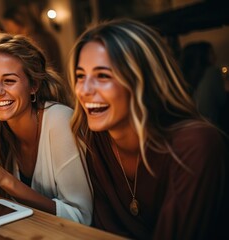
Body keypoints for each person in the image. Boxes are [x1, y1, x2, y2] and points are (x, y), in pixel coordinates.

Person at [70, 19, 227, 239]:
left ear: (143, 80)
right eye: (80, 76)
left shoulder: (195, 143)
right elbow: (103, 229)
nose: (84, 90)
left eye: (103, 76)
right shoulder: (96, 139)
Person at [0, 33, 92, 224]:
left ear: (33, 85)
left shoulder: (59, 120)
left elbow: (81, 217)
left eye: (9, 80)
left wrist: (3, 178)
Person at [3, 6, 63, 75]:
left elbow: (42, 66)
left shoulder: (33, 40)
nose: (6, 28)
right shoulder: (44, 35)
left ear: (18, 21)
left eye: (7, 24)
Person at [179, 41, 226, 128]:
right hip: (212, 124)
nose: (215, 55)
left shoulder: (184, 77)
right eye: (211, 52)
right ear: (203, 56)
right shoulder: (212, 72)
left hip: (193, 125)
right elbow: (222, 100)